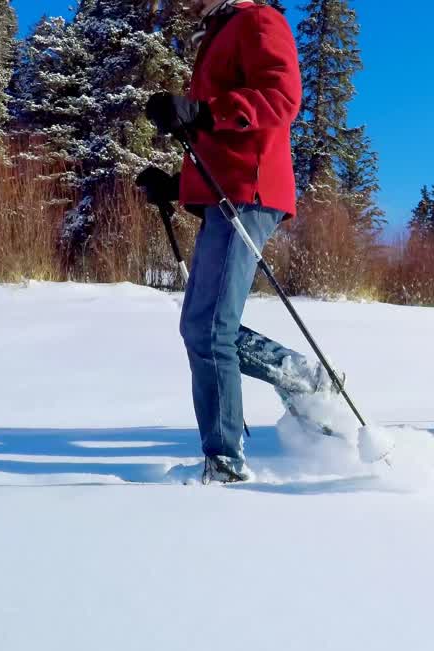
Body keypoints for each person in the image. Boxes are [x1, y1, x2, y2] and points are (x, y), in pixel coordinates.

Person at [141, 0, 340, 484]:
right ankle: (299, 374)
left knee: (209, 329)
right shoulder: (218, 33)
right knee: (201, 327)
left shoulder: (257, 20)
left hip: (248, 192)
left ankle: (225, 463)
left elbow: (280, 97)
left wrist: (201, 111)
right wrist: (176, 184)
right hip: (222, 191)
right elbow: (215, 134)